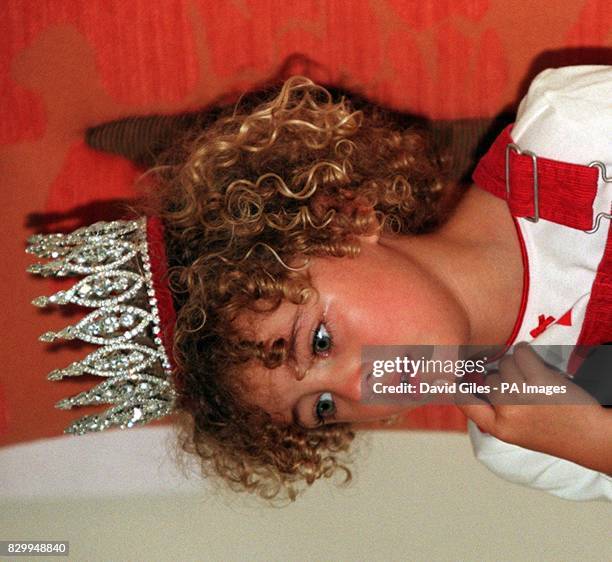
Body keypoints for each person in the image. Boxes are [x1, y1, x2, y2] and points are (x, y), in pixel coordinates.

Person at [28, 67, 612, 501]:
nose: (362, 388)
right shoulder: (525, 445)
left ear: (343, 218)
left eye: (321, 341)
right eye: (324, 408)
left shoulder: (572, 144)